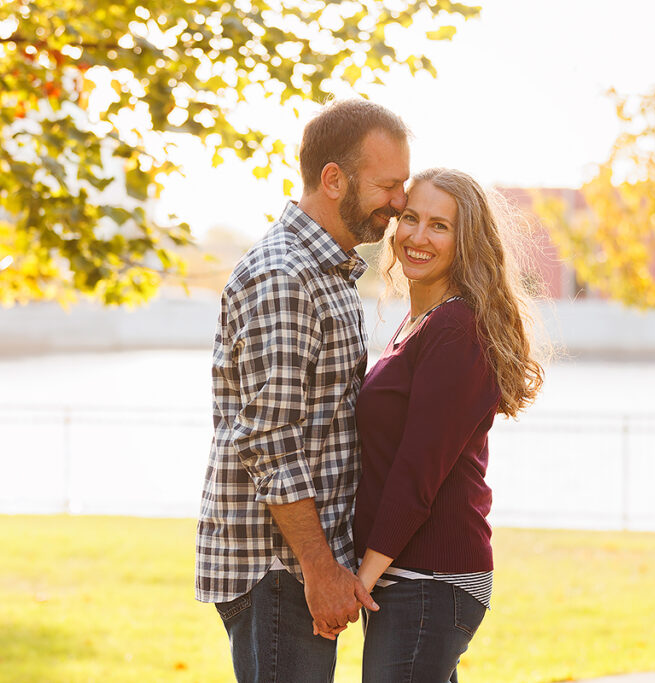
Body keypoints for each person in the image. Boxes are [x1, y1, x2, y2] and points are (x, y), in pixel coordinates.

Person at [195, 99, 411, 683]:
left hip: (298, 567)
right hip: (280, 569)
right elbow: (270, 437)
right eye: (388, 185)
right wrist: (319, 570)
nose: (400, 203)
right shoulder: (286, 277)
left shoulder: (329, 273)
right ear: (333, 179)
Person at [353, 168, 545, 682]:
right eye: (411, 218)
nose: (417, 236)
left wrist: (362, 579)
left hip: (431, 577)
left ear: (467, 242)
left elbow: (418, 471)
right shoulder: (421, 322)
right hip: (412, 576)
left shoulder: (457, 328)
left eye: (440, 226)